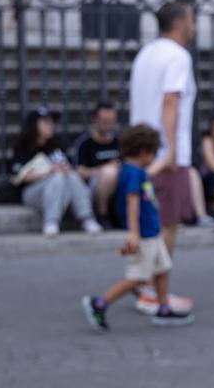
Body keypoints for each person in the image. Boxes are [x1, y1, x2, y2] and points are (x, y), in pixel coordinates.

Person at [81, 125, 194, 330]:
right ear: (144, 152)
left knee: (163, 269)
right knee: (138, 278)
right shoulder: (134, 174)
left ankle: (163, 308)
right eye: (153, 153)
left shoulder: (136, 170)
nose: (154, 157)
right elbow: (132, 201)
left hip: (152, 232)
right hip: (144, 235)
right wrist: (134, 233)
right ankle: (99, 303)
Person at [129, 1, 197, 314]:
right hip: (166, 156)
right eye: (192, 20)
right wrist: (169, 151)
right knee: (166, 226)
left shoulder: (146, 53)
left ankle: (146, 287)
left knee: (149, 224)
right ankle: (156, 294)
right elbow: (170, 101)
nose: (194, 27)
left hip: (141, 154)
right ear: (181, 23)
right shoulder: (177, 56)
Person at [10, 106, 103, 237]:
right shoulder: (22, 146)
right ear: (34, 125)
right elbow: (19, 176)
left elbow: (68, 168)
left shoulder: (55, 145)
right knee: (57, 177)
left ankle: (87, 218)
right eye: (46, 122)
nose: (51, 126)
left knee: (71, 175)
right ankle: (51, 221)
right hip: (32, 192)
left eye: (52, 122)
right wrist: (49, 172)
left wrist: (65, 169)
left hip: (60, 191)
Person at [71, 101, 121, 224]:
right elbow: (79, 172)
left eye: (112, 121)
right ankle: (102, 215)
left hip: (120, 182)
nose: (109, 125)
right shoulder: (85, 143)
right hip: (94, 185)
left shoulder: (120, 141)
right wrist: (104, 169)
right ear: (95, 119)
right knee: (109, 173)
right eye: (105, 121)